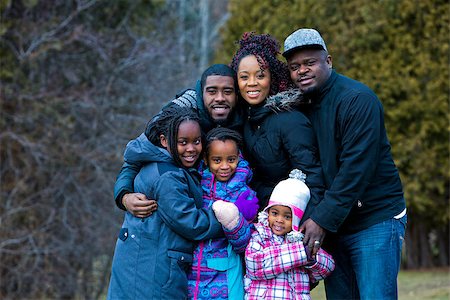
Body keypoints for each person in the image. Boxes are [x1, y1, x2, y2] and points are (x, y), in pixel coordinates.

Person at [282, 28, 407, 299]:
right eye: (294, 67)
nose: (301, 70)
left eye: (309, 62)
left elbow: (356, 169)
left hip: (374, 219)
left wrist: (321, 219)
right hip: (334, 227)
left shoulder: (357, 100)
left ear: (328, 61)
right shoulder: (299, 109)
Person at [107, 107, 224, 300]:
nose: (191, 149)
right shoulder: (167, 176)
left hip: (145, 264)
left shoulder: (166, 165)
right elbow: (190, 222)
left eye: (196, 141)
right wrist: (227, 219)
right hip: (151, 273)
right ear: (164, 141)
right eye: (182, 142)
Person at [114, 64, 244, 219]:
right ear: (201, 93)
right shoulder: (176, 118)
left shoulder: (243, 118)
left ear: (237, 95)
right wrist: (124, 196)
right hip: (179, 214)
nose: (220, 98)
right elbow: (136, 156)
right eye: (212, 91)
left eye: (227, 92)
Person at [229, 32, 325, 219]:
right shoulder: (243, 117)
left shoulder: (291, 120)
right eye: (244, 77)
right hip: (260, 219)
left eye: (260, 75)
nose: (252, 83)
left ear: (272, 77)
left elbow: (313, 179)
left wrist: (306, 226)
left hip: (291, 224)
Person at [187, 127, 259, 300]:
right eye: (217, 160)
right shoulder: (196, 185)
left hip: (224, 276)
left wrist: (233, 221)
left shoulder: (245, 195)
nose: (225, 166)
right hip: (190, 272)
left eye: (231, 159)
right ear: (206, 159)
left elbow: (245, 244)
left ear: (239, 157)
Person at [243, 169, 335, 299]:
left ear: (297, 219)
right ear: (268, 212)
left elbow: (327, 268)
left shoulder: (301, 240)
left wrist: (310, 256)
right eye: (274, 213)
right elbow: (254, 266)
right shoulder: (260, 235)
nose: (279, 220)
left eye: (287, 216)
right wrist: (301, 253)